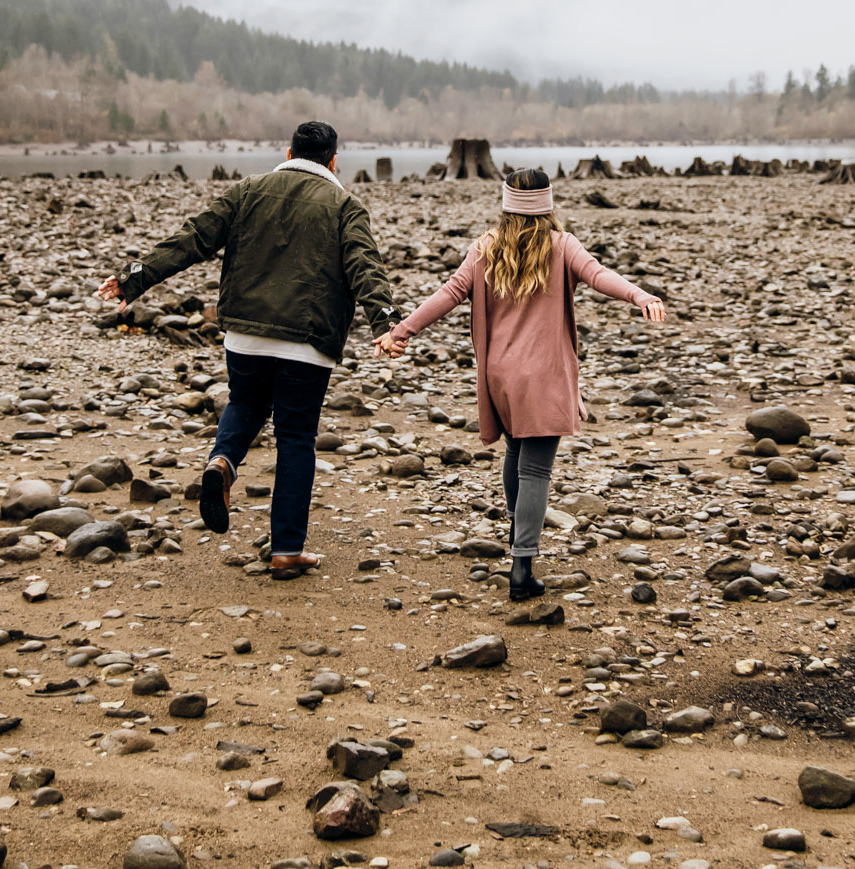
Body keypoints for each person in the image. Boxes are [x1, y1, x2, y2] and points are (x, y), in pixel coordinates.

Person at [96, 121, 398, 579]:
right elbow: (364, 265)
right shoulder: (344, 205)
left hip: (246, 334)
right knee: (296, 438)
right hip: (308, 340)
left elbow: (194, 238)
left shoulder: (248, 190)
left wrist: (137, 276)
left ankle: (222, 461)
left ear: (288, 151)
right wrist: (387, 322)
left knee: (245, 402)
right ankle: (286, 550)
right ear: (334, 160)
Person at [376, 168, 664, 600]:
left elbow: (448, 294)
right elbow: (598, 274)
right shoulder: (561, 245)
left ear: (506, 203)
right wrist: (640, 295)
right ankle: (522, 567)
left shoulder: (485, 249)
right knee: (536, 470)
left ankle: (518, 537)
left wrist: (401, 331)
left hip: (500, 374)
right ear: (548, 204)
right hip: (544, 375)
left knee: (515, 451)